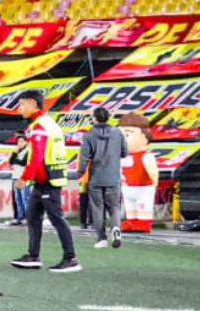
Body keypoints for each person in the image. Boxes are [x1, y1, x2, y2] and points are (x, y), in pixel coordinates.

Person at [8, 94, 81, 272]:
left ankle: (70, 258)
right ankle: (33, 256)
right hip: (44, 180)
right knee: (32, 216)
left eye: (21, 104)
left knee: (56, 218)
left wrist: (24, 178)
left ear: (33, 103)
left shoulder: (40, 125)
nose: (19, 109)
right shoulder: (44, 123)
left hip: (48, 179)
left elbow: (38, 155)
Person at [77, 107, 129, 248]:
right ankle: (116, 228)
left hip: (96, 178)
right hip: (113, 177)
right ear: (108, 117)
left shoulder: (89, 135)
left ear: (94, 118)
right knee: (114, 207)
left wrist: (79, 173)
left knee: (97, 208)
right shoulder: (117, 133)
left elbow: (84, 158)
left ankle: (101, 238)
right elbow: (125, 152)